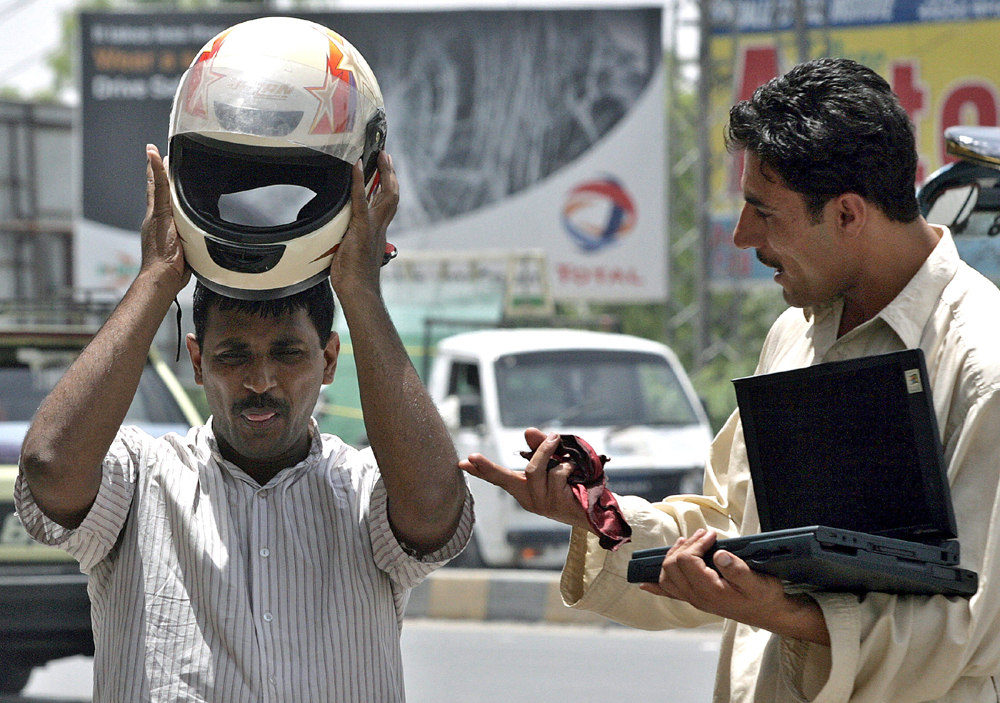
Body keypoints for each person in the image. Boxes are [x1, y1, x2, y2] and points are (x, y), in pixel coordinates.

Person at [463, 57, 1000, 702]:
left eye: (762, 212)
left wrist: (782, 612)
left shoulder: (980, 365)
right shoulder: (795, 335)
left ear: (849, 214)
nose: (743, 236)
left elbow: (968, 623)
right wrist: (595, 514)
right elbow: (731, 527)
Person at [15, 142, 473, 702]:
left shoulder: (362, 492)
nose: (260, 380)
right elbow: (50, 466)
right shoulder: (140, 482)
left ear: (329, 361)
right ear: (198, 360)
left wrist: (360, 289)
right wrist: (157, 278)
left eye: (288, 354)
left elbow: (433, 507)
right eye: (233, 356)